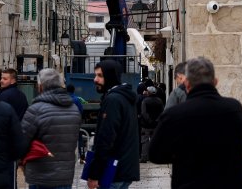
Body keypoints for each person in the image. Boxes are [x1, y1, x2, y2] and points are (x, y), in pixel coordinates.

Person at [148, 57, 242, 189]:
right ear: (215, 82)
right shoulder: (234, 109)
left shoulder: (175, 114)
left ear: (187, 84)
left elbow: (155, 154)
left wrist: (183, 155)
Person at [21, 68, 82, 189]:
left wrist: (22, 162)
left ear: (41, 86)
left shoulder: (36, 109)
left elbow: (22, 140)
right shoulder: (74, 109)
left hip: (41, 176)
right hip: (65, 176)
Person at [86, 60, 139, 189]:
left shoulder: (113, 100)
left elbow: (106, 138)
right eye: (95, 75)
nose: (95, 79)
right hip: (123, 169)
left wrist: (94, 174)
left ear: (110, 77)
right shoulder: (124, 97)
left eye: (100, 76)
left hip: (112, 172)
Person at [138, 86, 164, 162]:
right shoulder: (160, 101)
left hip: (146, 125)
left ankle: (144, 157)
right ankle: (155, 156)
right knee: (155, 141)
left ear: (148, 92)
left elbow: (143, 113)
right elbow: (162, 112)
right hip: (156, 125)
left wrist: (149, 120)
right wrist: (156, 120)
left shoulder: (145, 101)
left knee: (145, 141)